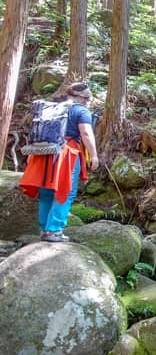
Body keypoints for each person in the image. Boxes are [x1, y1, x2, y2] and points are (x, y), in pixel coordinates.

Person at [19, 82, 100, 242]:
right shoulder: (81, 111)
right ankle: (54, 230)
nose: (89, 101)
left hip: (44, 153)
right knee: (66, 191)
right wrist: (94, 155)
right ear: (81, 98)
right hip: (66, 153)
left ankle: (45, 230)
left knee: (46, 192)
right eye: (88, 98)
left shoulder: (54, 108)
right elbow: (85, 133)